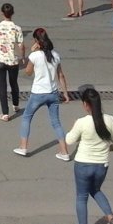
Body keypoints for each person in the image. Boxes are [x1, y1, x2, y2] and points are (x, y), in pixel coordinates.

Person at [65, 87, 113, 224]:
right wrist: (110, 149)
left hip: (83, 164)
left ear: (86, 104)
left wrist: (73, 126)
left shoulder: (82, 122)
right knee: (95, 190)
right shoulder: (111, 120)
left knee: (81, 196)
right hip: (101, 165)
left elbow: (69, 140)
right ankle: (110, 216)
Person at [14, 28, 70, 160]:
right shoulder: (55, 55)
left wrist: (32, 53)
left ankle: (23, 147)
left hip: (38, 93)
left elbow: (28, 72)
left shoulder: (35, 56)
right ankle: (64, 152)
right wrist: (65, 93)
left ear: (36, 41)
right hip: (53, 93)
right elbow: (61, 75)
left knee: (27, 117)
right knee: (56, 122)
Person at [0, 3, 25, 121]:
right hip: (13, 60)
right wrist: (22, 57)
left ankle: (5, 113)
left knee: (2, 86)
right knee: (14, 83)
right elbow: (21, 45)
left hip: (0, 59)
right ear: (12, 13)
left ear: (2, 13)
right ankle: (16, 105)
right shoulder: (17, 28)